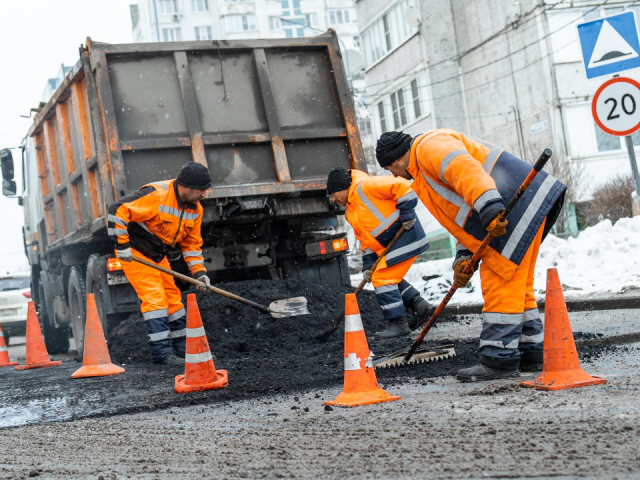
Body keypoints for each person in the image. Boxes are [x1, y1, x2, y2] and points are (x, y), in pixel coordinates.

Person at [375, 129, 566, 382]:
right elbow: (462, 217)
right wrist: (463, 257)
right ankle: (531, 350)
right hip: (520, 205)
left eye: (390, 170)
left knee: (499, 280)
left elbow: (465, 169)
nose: (394, 175)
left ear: (395, 161)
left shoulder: (427, 148)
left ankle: (499, 359)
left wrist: (489, 207)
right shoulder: (423, 168)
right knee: (517, 286)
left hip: (510, 207)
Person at [108, 162, 212, 365]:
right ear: (187, 186)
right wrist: (122, 246)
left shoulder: (195, 210)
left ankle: (183, 351)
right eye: (201, 190)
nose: (204, 195)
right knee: (155, 299)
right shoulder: (157, 195)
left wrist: (199, 273)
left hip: (157, 254)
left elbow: (191, 245)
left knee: (173, 299)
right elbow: (117, 209)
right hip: (136, 252)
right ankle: (162, 354)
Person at [326, 167, 434, 339]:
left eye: (333, 193)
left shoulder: (366, 186)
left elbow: (402, 185)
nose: (333, 199)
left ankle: (398, 324)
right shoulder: (350, 213)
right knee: (381, 273)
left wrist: (407, 214)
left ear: (343, 187)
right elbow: (365, 241)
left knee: (382, 278)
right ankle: (420, 306)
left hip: (407, 236)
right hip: (392, 246)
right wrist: (368, 266)